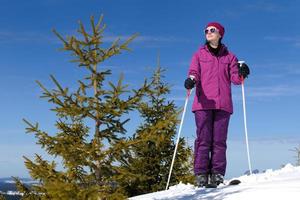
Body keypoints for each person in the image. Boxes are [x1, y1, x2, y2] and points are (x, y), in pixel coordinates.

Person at [184, 22, 250, 187]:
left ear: (220, 34)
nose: (208, 32)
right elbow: (194, 73)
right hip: (203, 103)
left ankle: (217, 175)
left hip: (223, 104)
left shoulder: (230, 57)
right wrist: (191, 80)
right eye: (206, 30)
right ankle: (201, 175)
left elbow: (235, 80)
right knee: (203, 139)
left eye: (212, 30)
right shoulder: (199, 55)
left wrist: (243, 73)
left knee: (219, 141)